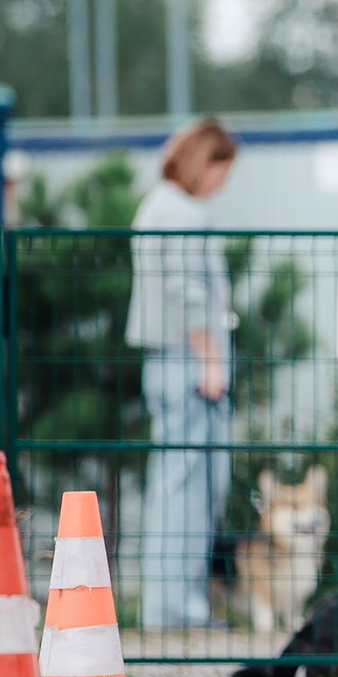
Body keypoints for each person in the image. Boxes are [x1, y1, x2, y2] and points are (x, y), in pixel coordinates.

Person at [126, 116, 238, 631]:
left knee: (176, 486)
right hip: (189, 365)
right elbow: (187, 291)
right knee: (191, 491)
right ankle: (179, 609)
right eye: (221, 169)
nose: (224, 182)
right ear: (202, 162)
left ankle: (168, 606)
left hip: (168, 362)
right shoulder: (182, 212)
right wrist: (210, 359)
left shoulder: (158, 205)